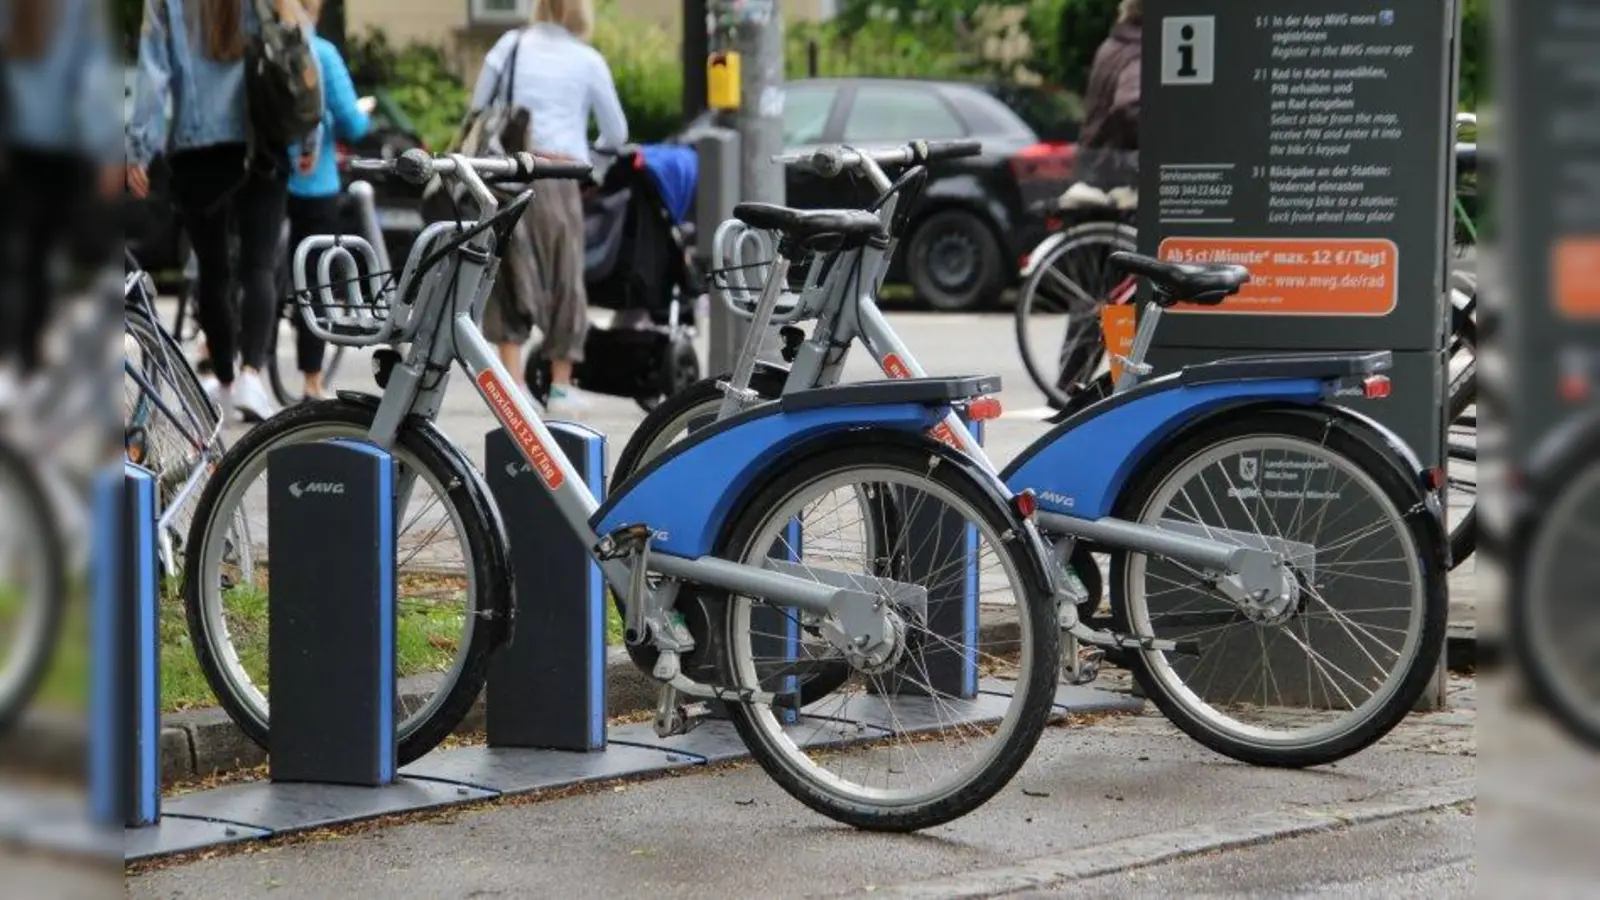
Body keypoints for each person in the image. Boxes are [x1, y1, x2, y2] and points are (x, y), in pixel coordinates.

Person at [127, 0, 297, 423]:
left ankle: (223, 379)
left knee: (213, 271)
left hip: (197, 152)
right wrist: (306, 138)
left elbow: (153, 71)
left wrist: (140, 147)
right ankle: (251, 376)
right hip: (263, 144)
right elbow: (296, 51)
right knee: (258, 266)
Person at [469, 0, 628, 418]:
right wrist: (597, 168)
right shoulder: (587, 59)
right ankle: (559, 387)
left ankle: (514, 383)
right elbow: (616, 131)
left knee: (510, 275)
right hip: (561, 175)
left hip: (509, 172)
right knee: (565, 279)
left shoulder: (510, 45)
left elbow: (478, 107)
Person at [0, 0, 120, 406]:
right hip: (61, 151)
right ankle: (28, 369)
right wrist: (104, 147)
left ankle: (15, 365)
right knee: (41, 262)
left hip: (15, 152)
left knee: (18, 259)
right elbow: (90, 76)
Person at [284, 0, 370, 401]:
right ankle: (312, 381)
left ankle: (238, 363)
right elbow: (352, 123)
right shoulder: (323, 54)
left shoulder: (263, 49)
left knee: (254, 268)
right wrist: (363, 112)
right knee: (313, 282)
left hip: (266, 180)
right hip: (314, 186)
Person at [1060, 0, 1141, 210]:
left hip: (1092, 164)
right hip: (1116, 170)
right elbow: (1129, 105)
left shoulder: (1112, 45)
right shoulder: (1137, 50)